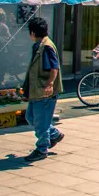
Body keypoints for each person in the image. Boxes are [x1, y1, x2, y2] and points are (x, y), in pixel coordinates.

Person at [23, 17, 64, 162]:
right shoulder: (39, 46)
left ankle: (42, 148)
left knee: (40, 122)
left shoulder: (46, 47)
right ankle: (54, 134)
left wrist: (50, 84)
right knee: (31, 117)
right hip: (37, 90)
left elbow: (54, 67)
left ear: (33, 33)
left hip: (44, 90)